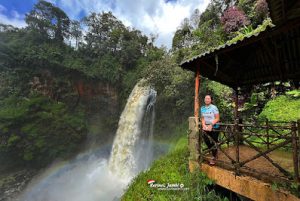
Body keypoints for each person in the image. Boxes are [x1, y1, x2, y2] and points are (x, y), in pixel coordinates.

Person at [200, 95, 220, 165]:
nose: (207, 100)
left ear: (211, 100)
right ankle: (215, 151)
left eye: (208, 98)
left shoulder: (214, 107)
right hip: (206, 127)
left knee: (214, 142)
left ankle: (213, 157)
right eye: (206, 98)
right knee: (206, 140)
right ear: (204, 100)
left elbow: (217, 118)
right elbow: (202, 118)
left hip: (215, 127)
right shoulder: (202, 108)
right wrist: (204, 125)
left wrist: (211, 125)